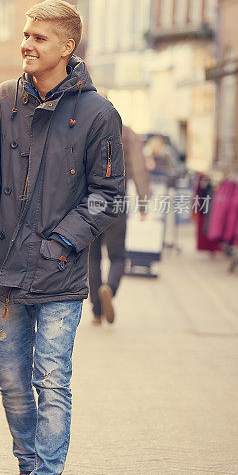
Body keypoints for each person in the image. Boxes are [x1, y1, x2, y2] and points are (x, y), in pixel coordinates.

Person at [0, 0, 124, 475]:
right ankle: (26, 473)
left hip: (60, 272)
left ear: (67, 47)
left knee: (52, 380)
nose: (27, 44)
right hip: (3, 272)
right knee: (12, 382)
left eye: (39, 38)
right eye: (25, 34)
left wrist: (61, 243)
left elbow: (108, 196)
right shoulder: (1, 102)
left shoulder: (98, 114)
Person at [89, 124, 151, 325]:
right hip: (116, 199)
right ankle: (110, 288)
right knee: (117, 257)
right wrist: (143, 203)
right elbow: (139, 168)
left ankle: (97, 312)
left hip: (90, 202)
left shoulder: (84, 126)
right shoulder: (126, 132)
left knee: (93, 258)